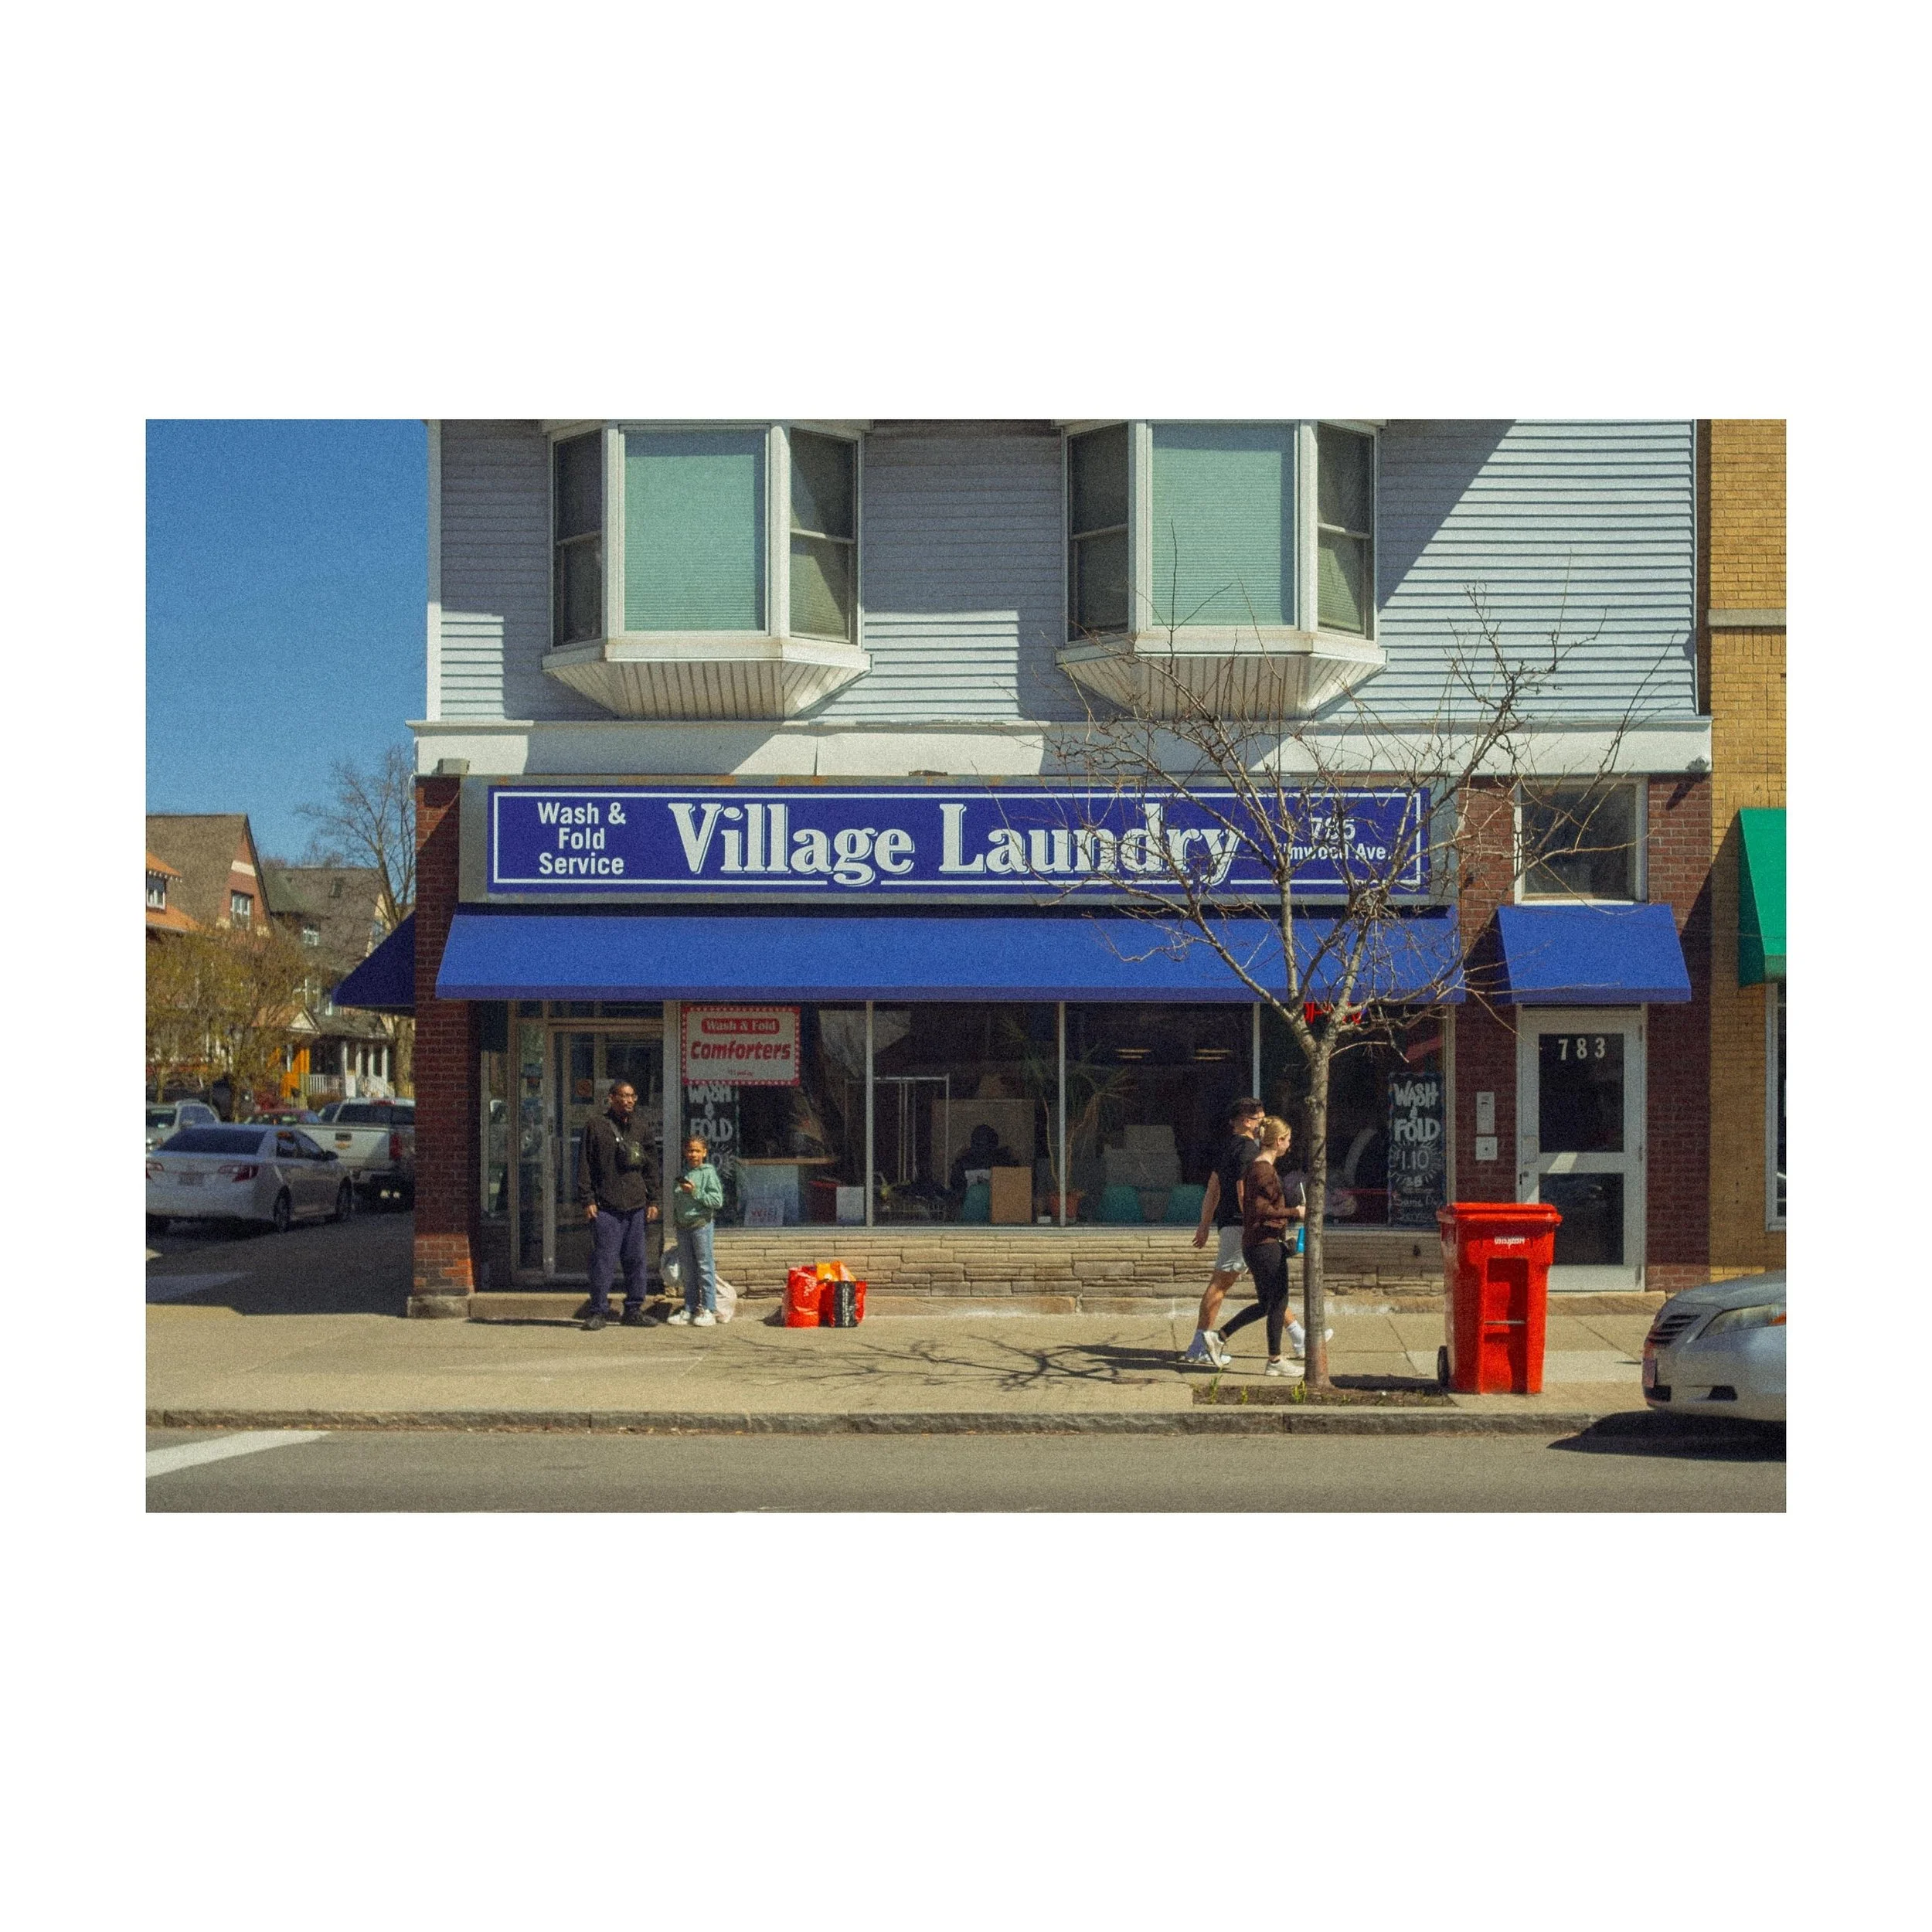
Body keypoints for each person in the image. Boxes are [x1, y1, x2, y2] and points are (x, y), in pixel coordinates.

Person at [1217, 1114, 1304, 1376]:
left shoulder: (1260, 1168)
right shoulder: (1262, 1170)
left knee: (1268, 1304)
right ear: (1278, 1141)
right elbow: (1260, 1210)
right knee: (1279, 1300)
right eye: (1287, 1140)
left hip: (1263, 1243)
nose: (1289, 1144)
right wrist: (1295, 1212)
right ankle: (1275, 1361)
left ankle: (1219, 1336)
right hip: (1263, 1245)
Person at [1182, 1098, 1264, 1367]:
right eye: (1257, 1118)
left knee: (1272, 1285)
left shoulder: (1227, 1147)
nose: (1261, 1122)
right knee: (1220, 1285)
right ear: (1243, 1120)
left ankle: (1299, 1336)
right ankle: (1199, 1344)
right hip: (1241, 1224)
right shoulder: (1249, 1150)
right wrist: (1253, 1225)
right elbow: (1243, 1190)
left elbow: (1213, 1189)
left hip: (1230, 1223)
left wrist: (1205, 1224)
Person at [576, 1079, 660, 1331]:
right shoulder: (596, 1126)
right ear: (611, 1098)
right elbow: (584, 1165)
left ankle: (634, 1309)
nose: (629, 1101)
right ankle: (598, 1311)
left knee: (636, 1260)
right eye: (624, 1096)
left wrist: (653, 1199)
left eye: (632, 1096)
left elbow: (651, 1167)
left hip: (635, 1205)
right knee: (603, 1260)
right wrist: (587, 1199)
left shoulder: (641, 1128)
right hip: (606, 1206)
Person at [664, 1134, 726, 1327]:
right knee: (688, 1270)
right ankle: (690, 1307)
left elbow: (717, 1201)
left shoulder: (708, 1173)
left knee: (705, 1267)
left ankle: (708, 1308)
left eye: (697, 1151)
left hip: (701, 1226)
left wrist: (695, 1191)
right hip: (683, 1227)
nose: (693, 1154)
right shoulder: (684, 1173)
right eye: (690, 1150)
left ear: (705, 1153)